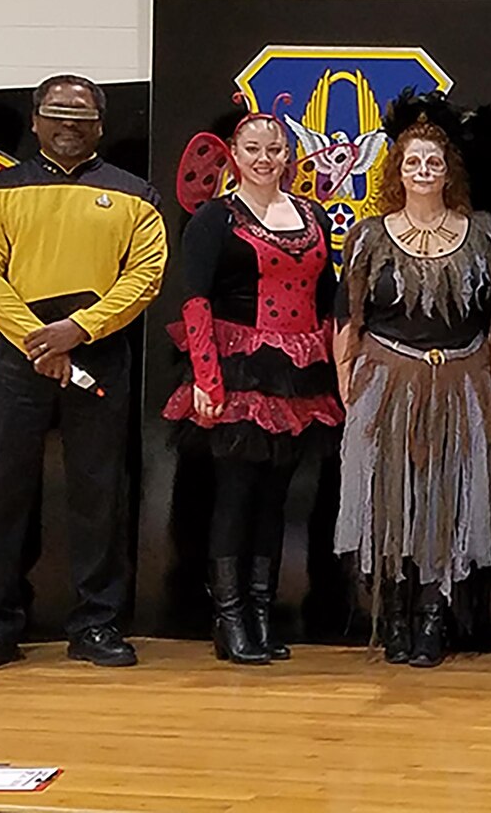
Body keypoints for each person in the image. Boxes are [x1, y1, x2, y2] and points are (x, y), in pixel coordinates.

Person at [0, 74, 168, 671]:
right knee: (1, 491)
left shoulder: (135, 195)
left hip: (97, 353)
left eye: (80, 113)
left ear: (100, 122)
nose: (68, 122)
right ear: (35, 119)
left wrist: (77, 332)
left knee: (99, 493)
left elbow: (144, 278)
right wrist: (36, 340)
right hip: (18, 359)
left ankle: (96, 623)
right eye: (56, 112)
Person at [333, 92, 491, 669]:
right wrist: (347, 385)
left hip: (461, 382)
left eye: (434, 162)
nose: (424, 171)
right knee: (388, 499)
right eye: (413, 162)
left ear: (448, 170)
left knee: (446, 500)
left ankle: (435, 617)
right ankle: (396, 618)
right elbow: (347, 317)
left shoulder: (482, 234)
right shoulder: (369, 237)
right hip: (385, 383)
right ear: (397, 170)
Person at [163, 99, 343, 665]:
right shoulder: (216, 217)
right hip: (238, 367)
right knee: (235, 497)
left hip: (297, 372)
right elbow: (194, 297)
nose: (264, 158)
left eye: (274, 149)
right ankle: (230, 617)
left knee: (275, 497)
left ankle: (263, 612)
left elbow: (328, 298)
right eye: (253, 150)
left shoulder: (311, 215)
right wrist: (207, 380)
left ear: (288, 156)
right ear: (234, 157)